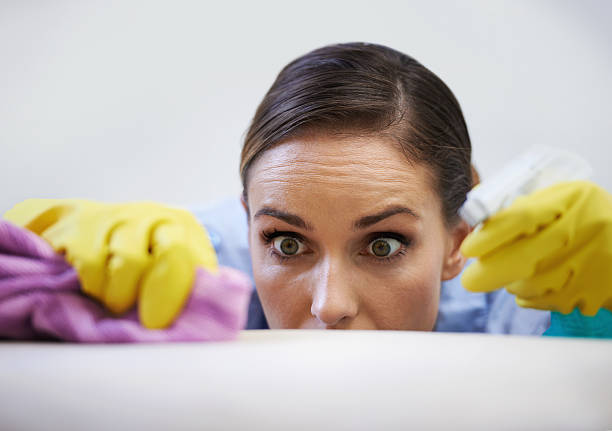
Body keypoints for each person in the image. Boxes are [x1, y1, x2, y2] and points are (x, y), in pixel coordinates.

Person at [5, 43, 612, 335]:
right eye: (287, 244)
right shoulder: (185, 269)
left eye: (383, 245)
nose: (328, 307)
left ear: (459, 239)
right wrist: (32, 260)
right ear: (248, 224)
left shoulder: (528, 294)